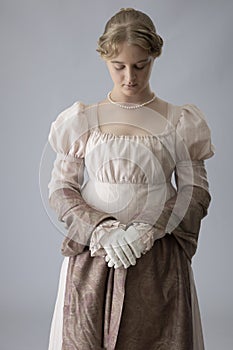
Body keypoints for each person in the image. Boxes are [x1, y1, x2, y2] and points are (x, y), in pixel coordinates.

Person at [47, 8, 215, 350]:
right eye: (119, 66)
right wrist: (99, 229)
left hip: (156, 255)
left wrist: (147, 230)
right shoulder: (83, 121)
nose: (129, 78)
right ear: (105, 58)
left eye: (140, 66)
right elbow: (61, 190)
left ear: (154, 56)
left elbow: (195, 192)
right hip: (95, 256)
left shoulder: (178, 122)